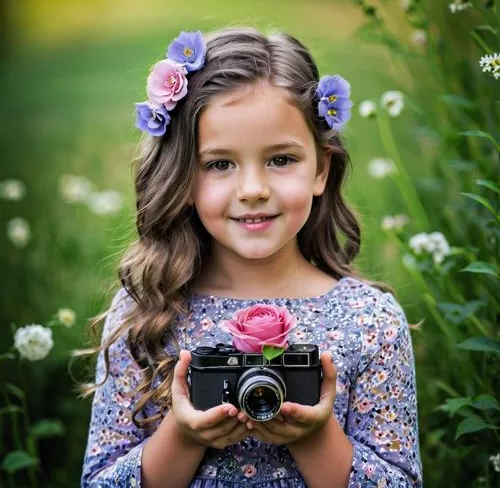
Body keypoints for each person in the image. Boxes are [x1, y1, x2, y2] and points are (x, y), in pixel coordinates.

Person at [80, 27, 423, 487]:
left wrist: (313, 438)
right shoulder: (147, 311)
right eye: (219, 164)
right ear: (183, 176)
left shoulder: (371, 322)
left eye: (281, 160)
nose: (254, 190)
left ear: (321, 168)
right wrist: (181, 437)